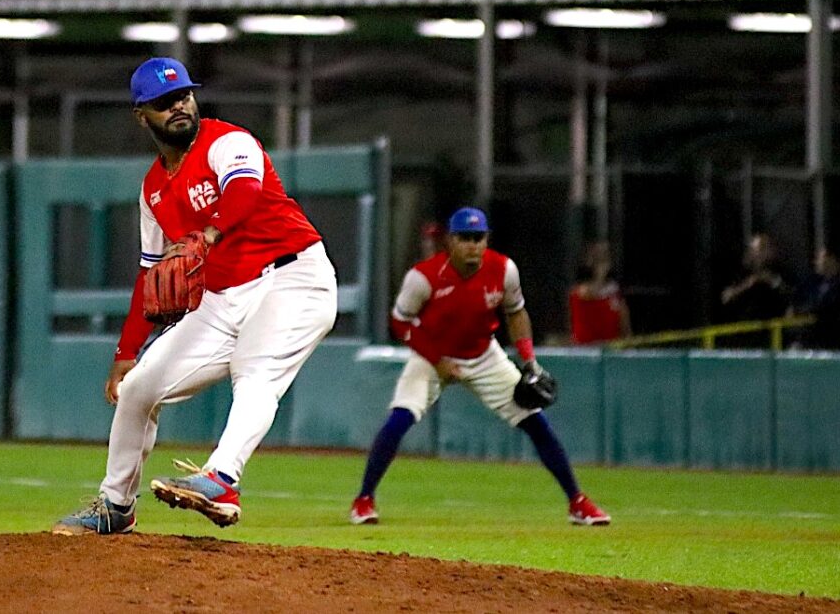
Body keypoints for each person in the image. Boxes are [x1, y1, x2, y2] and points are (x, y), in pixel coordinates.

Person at [54, 58, 338, 535]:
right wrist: (126, 352)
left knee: (255, 370)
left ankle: (223, 479)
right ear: (142, 115)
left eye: (183, 95)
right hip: (223, 299)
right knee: (139, 388)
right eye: (165, 102)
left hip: (293, 277)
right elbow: (149, 274)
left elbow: (244, 194)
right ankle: (115, 506)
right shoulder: (152, 191)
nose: (180, 106)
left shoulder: (228, 142)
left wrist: (208, 233)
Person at [349, 207, 611, 527]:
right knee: (400, 418)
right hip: (433, 353)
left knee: (536, 422)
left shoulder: (503, 269)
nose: (473, 245)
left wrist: (529, 361)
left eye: (478, 238)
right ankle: (364, 499)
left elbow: (516, 313)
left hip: (484, 354)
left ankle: (577, 502)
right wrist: (437, 360)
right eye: (464, 238)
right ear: (450, 241)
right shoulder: (424, 277)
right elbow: (400, 322)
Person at [568, 240, 632, 344]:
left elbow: (625, 326)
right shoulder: (579, 292)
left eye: (605, 258)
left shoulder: (615, 293)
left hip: (611, 351)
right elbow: (589, 295)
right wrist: (599, 275)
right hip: (584, 352)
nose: (602, 263)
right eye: (598, 259)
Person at [788, 246, 840, 350]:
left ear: (833, 260)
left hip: (831, 340)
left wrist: (802, 311)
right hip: (810, 339)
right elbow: (799, 298)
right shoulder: (815, 283)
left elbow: (827, 306)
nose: (816, 262)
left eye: (820, 258)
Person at [720, 233, 790, 321]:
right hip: (744, 324)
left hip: (770, 324)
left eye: (759, 249)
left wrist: (766, 279)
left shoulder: (777, 270)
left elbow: (785, 292)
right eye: (752, 249)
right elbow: (727, 298)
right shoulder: (742, 273)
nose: (753, 253)